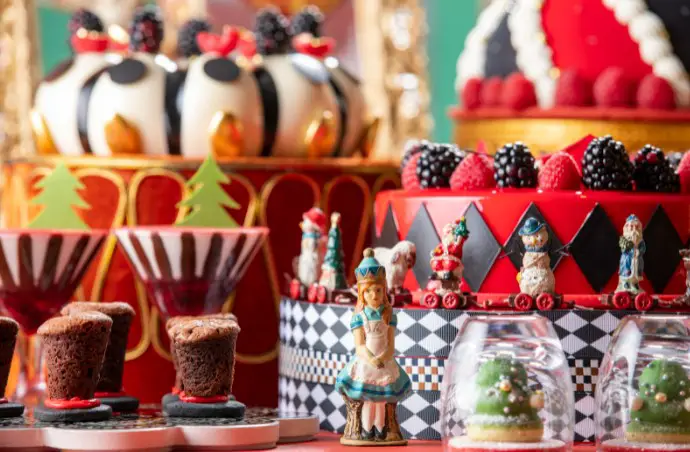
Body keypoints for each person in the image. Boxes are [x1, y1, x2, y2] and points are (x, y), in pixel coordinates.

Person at [336, 249, 410, 445]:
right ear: (362, 293)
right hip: (366, 362)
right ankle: (366, 430)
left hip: (384, 361)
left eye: (378, 290)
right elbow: (360, 345)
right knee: (368, 398)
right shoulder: (359, 317)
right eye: (368, 291)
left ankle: (380, 429)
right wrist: (371, 358)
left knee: (382, 400)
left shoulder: (389, 316)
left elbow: (391, 344)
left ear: (384, 290)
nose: (374, 295)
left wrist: (384, 357)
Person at [617, 214, 645, 293]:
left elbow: (643, 248)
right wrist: (631, 250)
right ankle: (626, 284)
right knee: (627, 270)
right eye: (631, 226)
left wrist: (639, 251)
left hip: (637, 259)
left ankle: (635, 283)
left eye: (636, 226)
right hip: (627, 258)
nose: (634, 229)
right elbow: (623, 249)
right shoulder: (624, 239)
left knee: (637, 270)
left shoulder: (640, 240)